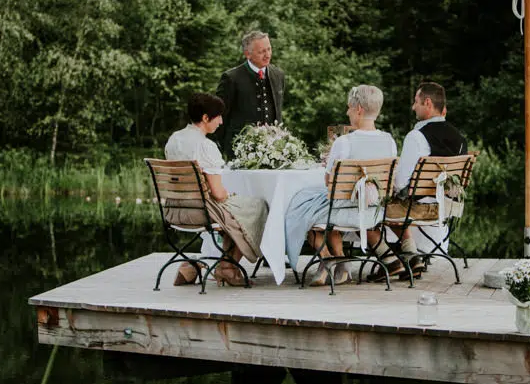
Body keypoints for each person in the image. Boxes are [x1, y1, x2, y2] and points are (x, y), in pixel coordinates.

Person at [285, 85, 397, 286]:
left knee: (300, 210)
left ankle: (329, 260)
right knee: (315, 206)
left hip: (342, 212)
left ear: (359, 109)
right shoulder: (389, 141)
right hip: (374, 212)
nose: (347, 112)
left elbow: (329, 183)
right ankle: (340, 265)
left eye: (349, 108)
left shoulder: (344, 142)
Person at [164, 93, 269, 287]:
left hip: (174, 210)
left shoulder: (174, 139)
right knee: (257, 207)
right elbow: (218, 194)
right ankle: (228, 268)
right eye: (218, 116)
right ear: (205, 118)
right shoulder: (206, 146)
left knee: (237, 212)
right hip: (199, 212)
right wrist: (230, 195)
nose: (221, 122)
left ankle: (203, 266)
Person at [369, 81, 468, 282]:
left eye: (416, 102)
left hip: (418, 209)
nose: (413, 107)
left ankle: (389, 260)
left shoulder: (417, 136)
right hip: (446, 208)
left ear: (428, 103)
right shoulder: (460, 138)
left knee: (369, 207)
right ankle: (412, 259)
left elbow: (399, 183)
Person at [214, 31, 285, 159]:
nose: (267, 55)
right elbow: (219, 116)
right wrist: (220, 147)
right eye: (261, 51)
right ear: (248, 54)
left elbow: (278, 112)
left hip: (274, 149)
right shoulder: (231, 78)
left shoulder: (278, 75)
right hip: (238, 150)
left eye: (269, 49)